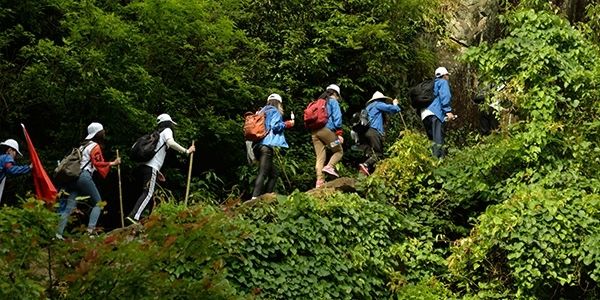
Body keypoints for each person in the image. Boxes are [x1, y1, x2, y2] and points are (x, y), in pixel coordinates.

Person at [127, 114, 195, 224]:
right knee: (148, 193)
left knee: (146, 193)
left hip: (143, 167)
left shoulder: (156, 134)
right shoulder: (167, 131)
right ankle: (134, 217)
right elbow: (170, 143)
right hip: (151, 168)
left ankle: (144, 217)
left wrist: (157, 172)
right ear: (168, 123)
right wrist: (186, 151)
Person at [56, 122, 121, 239]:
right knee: (99, 203)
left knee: (69, 208)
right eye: (103, 131)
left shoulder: (82, 146)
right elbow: (97, 163)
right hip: (84, 177)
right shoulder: (94, 146)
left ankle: (57, 234)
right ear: (98, 133)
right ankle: (90, 232)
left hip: (74, 178)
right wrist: (113, 163)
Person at [251, 93, 294, 200]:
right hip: (266, 147)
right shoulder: (274, 111)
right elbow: (275, 127)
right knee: (263, 173)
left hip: (256, 146)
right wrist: (288, 124)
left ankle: (266, 196)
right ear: (278, 103)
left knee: (274, 174)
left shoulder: (260, 112)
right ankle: (255, 198)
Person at [358, 91, 401, 176]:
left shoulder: (368, 107)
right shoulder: (378, 104)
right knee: (378, 154)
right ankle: (366, 165)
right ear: (381, 99)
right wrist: (395, 104)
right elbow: (393, 109)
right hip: (373, 131)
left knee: (371, 154)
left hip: (365, 132)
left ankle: (366, 174)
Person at [311, 84, 344, 188]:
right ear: (335, 93)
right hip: (326, 130)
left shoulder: (318, 102)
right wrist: (339, 134)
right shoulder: (332, 101)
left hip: (314, 132)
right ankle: (329, 166)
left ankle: (319, 181)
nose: (338, 98)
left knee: (320, 156)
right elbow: (337, 117)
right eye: (338, 96)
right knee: (338, 150)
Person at [420, 67, 455, 158]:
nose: (448, 77)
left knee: (432, 140)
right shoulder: (443, 82)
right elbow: (445, 96)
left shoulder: (432, 85)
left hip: (424, 114)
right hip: (435, 113)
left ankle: (431, 160)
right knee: (438, 139)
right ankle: (439, 162)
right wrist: (448, 111)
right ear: (445, 75)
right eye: (447, 75)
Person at [0, 139, 32, 203]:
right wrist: (29, 167)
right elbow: (11, 169)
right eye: (15, 153)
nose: (15, 155)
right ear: (10, 150)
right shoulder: (7, 157)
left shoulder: (1, 157)